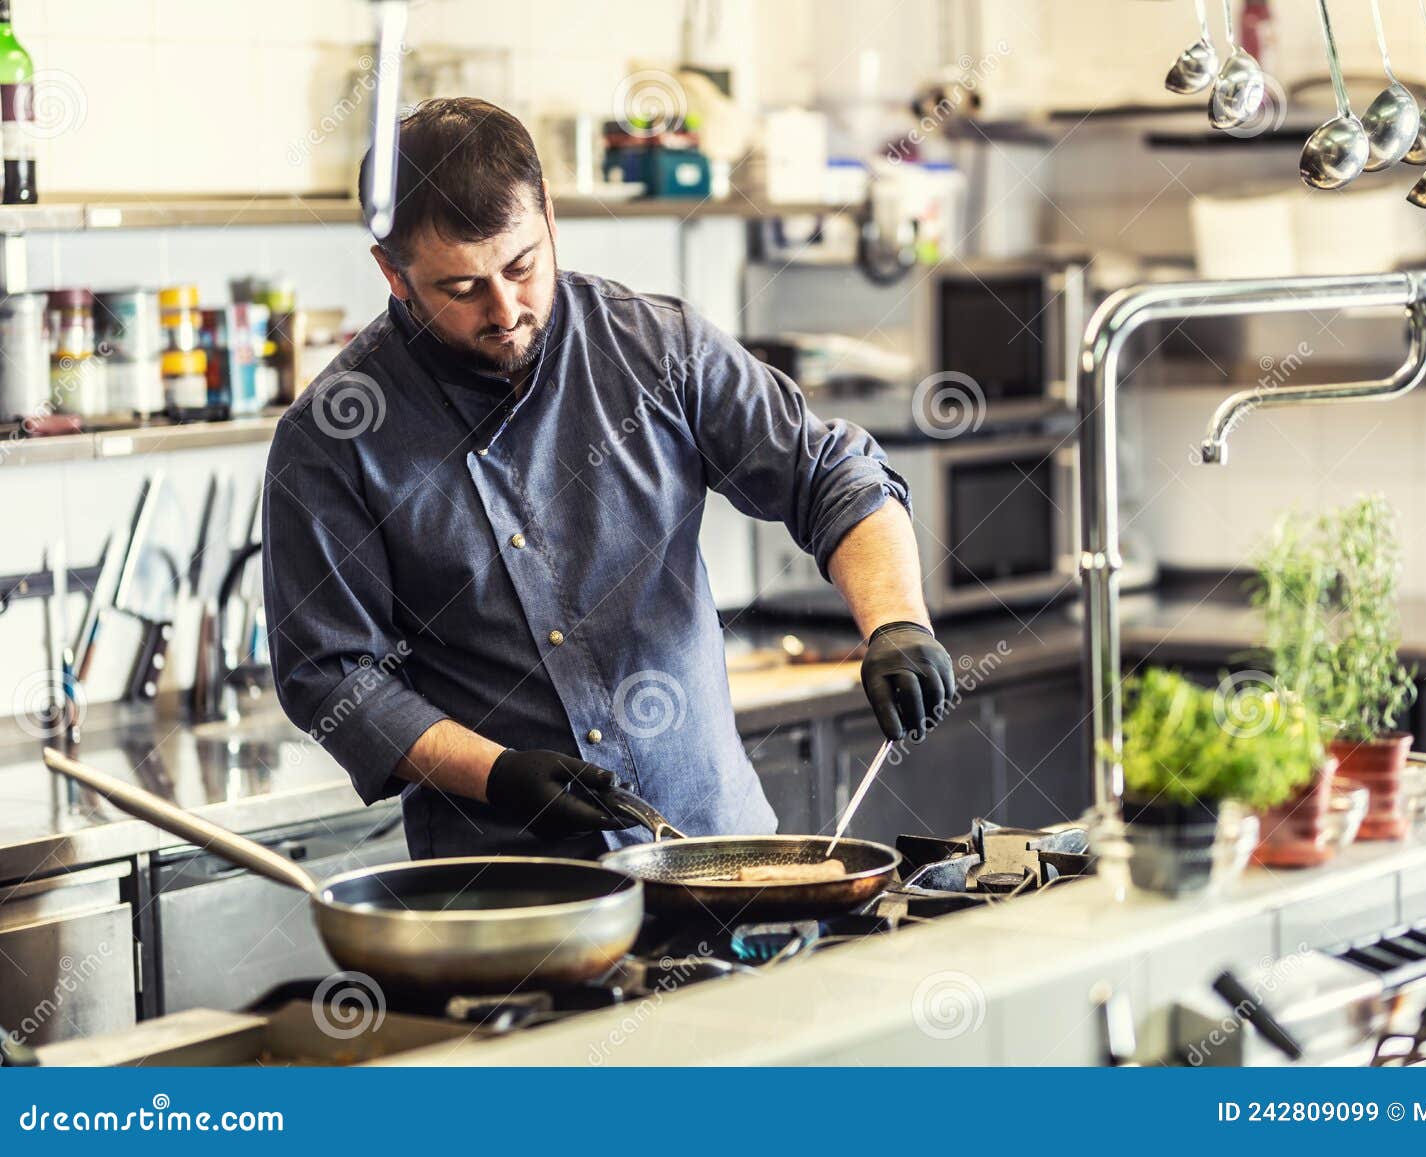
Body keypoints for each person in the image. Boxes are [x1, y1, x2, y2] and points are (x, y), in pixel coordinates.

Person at [262, 98, 955, 859]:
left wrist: (896, 623)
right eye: (461, 289)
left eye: (522, 265)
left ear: (550, 215)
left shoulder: (657, 349)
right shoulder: (330, 440)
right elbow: (332, 677)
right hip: (516, 900)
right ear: (393, 273)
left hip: (719, 859)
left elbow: (829, 473)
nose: (505, 309)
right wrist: (496, 774)